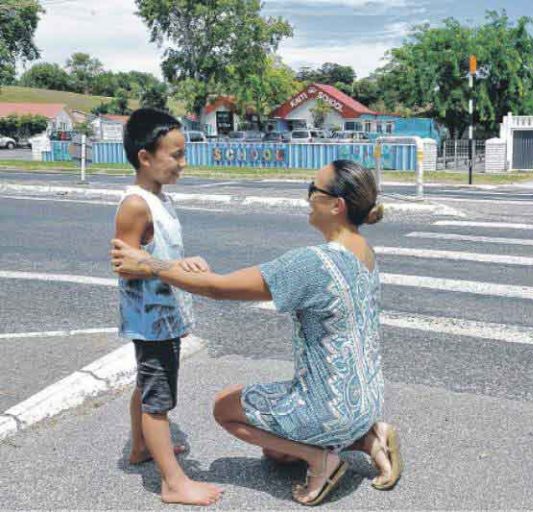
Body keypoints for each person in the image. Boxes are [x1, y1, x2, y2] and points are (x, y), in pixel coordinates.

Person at [111, 159, 403, 506]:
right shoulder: (364, 251)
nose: (307, 198)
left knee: (225, 408)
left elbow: (218, 288)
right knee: (276, 453)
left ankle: (321, 460)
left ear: (336, 205)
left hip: (332, 410)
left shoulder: (313, 263)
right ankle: (369, 438)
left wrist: (149, 264)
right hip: (368, 402)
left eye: (313, 190)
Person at [114, 108, 222, 506]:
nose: (183, 162)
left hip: (163, 315)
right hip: (151, 319)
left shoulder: (159, 198)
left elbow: (152, 256)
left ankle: (141, 446)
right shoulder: (135, 204)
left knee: (148, 385)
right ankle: (173, 483)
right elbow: (125, 265)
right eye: (175, 155)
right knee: (158, 399)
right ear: (145, 157)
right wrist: (173, 267)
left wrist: (180, 263)